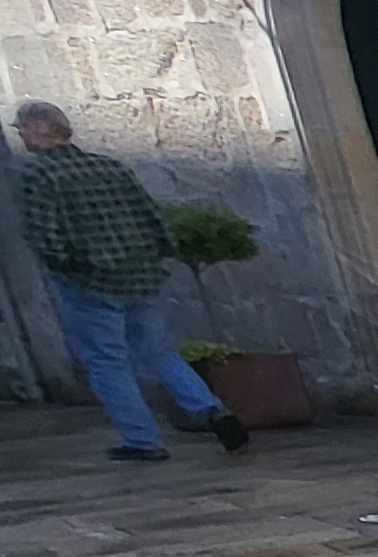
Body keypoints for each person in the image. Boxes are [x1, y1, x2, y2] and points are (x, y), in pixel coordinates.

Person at [12, 101, 244, 460]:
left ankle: (142, 440)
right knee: (159, 351)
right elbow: (152, 215)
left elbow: (44, 234)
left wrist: (67, 265)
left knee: (107, 361)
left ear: (40, 131)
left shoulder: (38, 175)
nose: (21, 135)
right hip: (141, 274)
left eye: (22, 128)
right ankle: (212, 409)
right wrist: (156, 256)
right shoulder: (110, 167)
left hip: (91, 279)